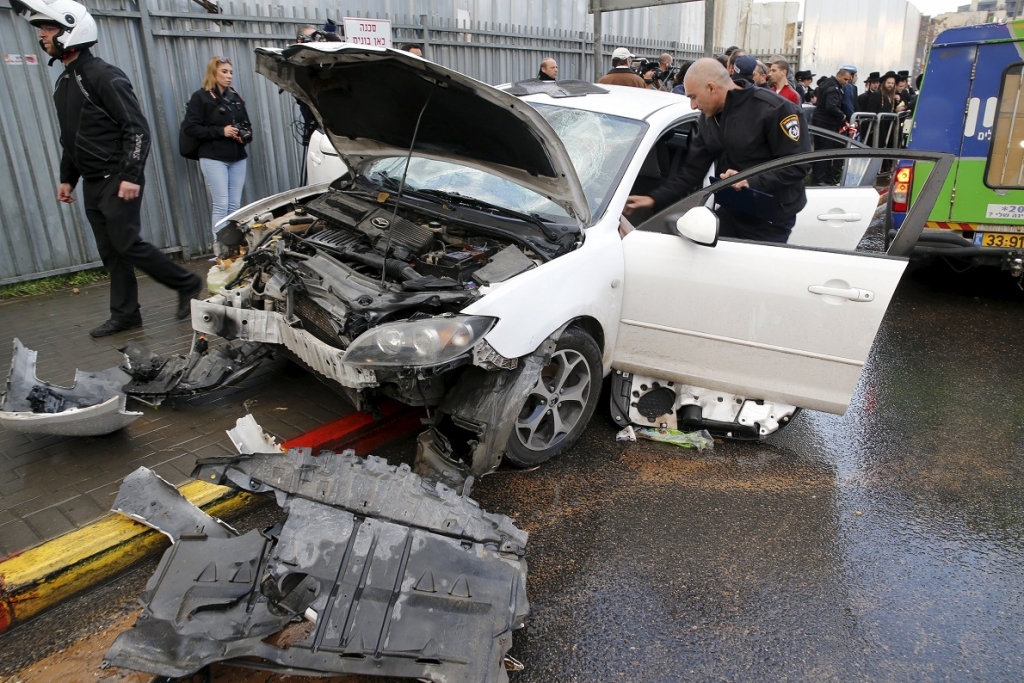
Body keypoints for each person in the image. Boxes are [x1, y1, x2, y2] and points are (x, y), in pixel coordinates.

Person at [11, 0, 201, 338]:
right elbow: (70, 138)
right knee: (111, 252)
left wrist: (130, 174)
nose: (42, 35)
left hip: (117, 177)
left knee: (127, 243)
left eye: (48, 28)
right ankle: (126, 315)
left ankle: (186, 282)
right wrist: (67, 179)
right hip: (92, 184)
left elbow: (137, 128)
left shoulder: (104, 75)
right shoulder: (65, 82)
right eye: (41, 29)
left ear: (71, 31)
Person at [625, 58, 810, 243]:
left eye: (693, 97)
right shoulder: (708, 119)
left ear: (712, 88)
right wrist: (653, 198)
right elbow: (693, 170)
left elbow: (798, 165)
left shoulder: (774, 109)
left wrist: (750, 180)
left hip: (771, 217)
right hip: (734, 209)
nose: (693, 106)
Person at [183, 56, 253, 242]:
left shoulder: (235, 97)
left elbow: (247, 124)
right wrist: (221, 131)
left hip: (238, 156)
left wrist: (244, 134)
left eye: (230, 72)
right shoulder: (201, 97)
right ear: (213, 73)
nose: (229, 76)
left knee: (234, 205)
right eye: (224, 71)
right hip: (214, 157)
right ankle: (220, 248)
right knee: (221, 204)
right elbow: (190, 128)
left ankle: (235, 246)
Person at [810, 66, 854, 185]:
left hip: (823, 122)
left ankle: (820, 178)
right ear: (839, 76)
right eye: (845, 79)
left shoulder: (830, 84)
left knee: (823, 152)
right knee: (824, 152)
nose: (846, 82)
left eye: (848, 80)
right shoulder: (833, 88)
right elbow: (831, 106)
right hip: (825, 124)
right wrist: (842, 116)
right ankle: (819, 180)